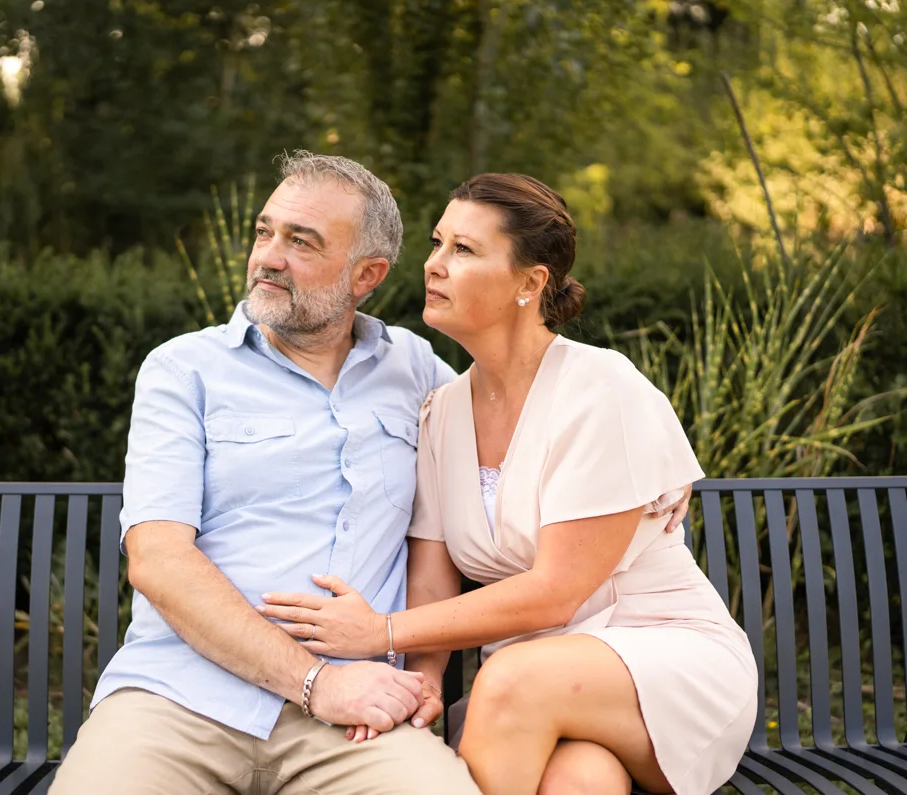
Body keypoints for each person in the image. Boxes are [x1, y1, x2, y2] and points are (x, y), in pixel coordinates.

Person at [256, 173, 758, 795]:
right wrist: (423, 681)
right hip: (535, 684)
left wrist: (379, 632)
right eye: (437, 243)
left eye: (464, 250)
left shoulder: (600, 389)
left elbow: (555, 595)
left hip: (660, 660)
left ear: (529, 283)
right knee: (581, 782)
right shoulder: (441, 411)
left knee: (515, 680)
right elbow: (433, 578)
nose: (434, 265)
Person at [48, 151, 484, 795]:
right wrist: (316, 682)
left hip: (358, 721)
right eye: (264, 232)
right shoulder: (183, 370)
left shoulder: (416, 369)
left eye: (301, 241)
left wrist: (423, 672)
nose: (268, 257)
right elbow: (158, 559)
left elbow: (511, 452)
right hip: (179, 699)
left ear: (366, 274)